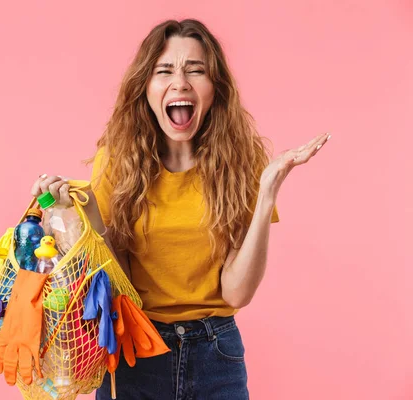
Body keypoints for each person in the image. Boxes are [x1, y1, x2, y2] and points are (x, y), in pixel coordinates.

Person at [31, 18, 329, 400]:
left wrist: (267, 192)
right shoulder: (117, 163)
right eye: (165, 70)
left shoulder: (244, 164)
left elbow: (236, 293)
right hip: (134, 350)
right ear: (147, 87)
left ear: (214, 88)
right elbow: (118, 284)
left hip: (216, 353)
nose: (181, 82)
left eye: (196, 70)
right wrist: (67, 214)